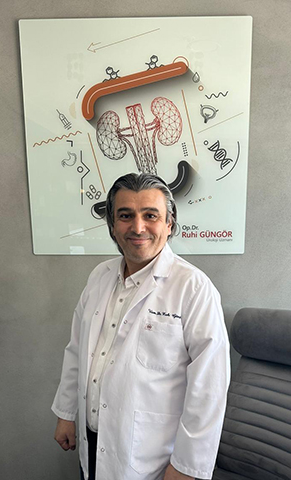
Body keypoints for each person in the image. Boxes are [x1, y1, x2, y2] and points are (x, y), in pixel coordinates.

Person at [52, 173, 230, 480]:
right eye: (125, 216)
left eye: (151, 215)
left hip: (151, 457)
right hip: (92, 441)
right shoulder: (99, 276)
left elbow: (209, 387)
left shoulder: (193, 288)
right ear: (112, 225)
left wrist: (187, 466)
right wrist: (66, 414)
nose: (137, 227)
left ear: (169, 224)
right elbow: (77, 350)